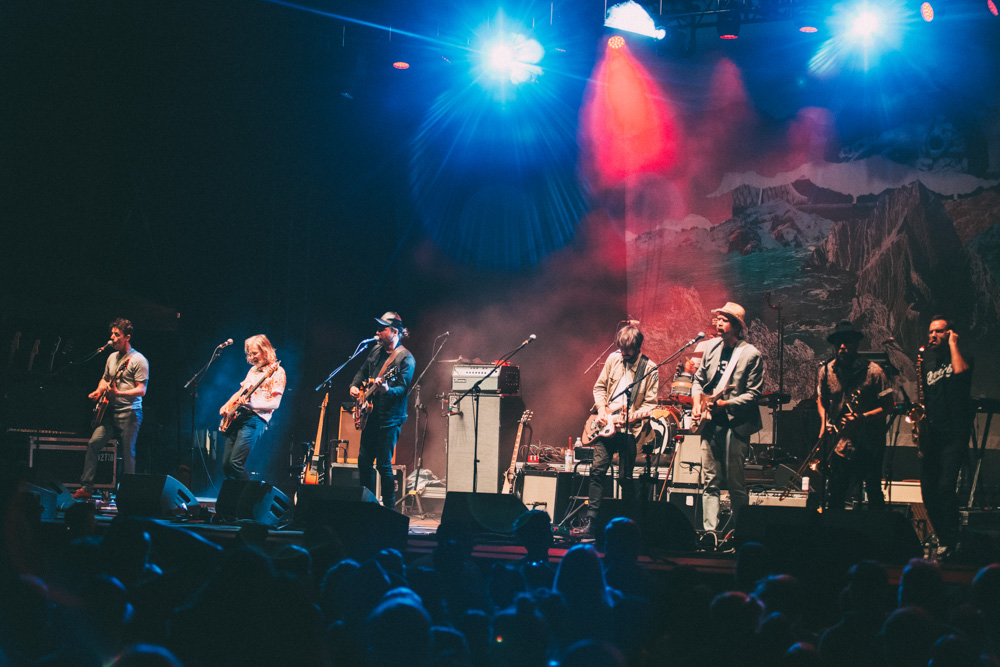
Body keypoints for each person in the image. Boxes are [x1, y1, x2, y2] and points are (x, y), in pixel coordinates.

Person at [573, 323, 659, 540]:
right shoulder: (613, 359)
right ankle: (591, 523)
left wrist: (630, 417)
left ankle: (626, 528)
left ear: (637, 347)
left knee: (626, 478)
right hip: (605, 426)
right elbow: (600, 387)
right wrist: (602, 410)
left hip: (629, 431)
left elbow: (650, 405)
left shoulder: (650, 368)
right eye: (620, 348)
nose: (623, 353)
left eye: (627, 350)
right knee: (597, 472)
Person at [692, 302, 763, 532]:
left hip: (736, 425)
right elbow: (698, 380)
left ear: (736, 325)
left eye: (724, 319)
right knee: (709, 481)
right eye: (718, 318)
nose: (718, 322)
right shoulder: (711, 347)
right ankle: (710, 533)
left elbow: (753, 394)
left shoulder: (751, 354)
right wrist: (696, 403)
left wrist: (727, 404)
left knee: (735, 484)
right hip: (711, 422)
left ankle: (740, 532)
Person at [816, 321, 890, 511]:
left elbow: (888, 406)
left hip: (869, 442)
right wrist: (824, 423)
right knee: (837, 491)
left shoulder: (875, 372)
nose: (842, 346)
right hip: (839, 443)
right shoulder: (825, 370)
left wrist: (862, 417)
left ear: (856, 344)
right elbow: (821, 400)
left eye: (847, 342)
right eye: (839, 342)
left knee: (873, 491)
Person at [74, 318, 149, 500]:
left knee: (127, 452)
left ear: (127, 337)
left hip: (130, 413)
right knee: (93, 443)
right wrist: (99, 390)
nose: (112, 338)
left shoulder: (138, 360)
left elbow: (142, 390)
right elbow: (105, 379)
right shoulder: (111, 358)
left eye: (117, 335)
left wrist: (119, 394)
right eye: (112, 334)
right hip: (110, 413)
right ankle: (86, 487)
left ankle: (128, 492)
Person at [919, 316, 973, 560]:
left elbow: (961, 375)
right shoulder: (929, 366)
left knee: (944, 488)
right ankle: (944, 539)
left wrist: (953, 344)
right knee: (928, 492)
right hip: (933, 437)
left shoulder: (961, 358)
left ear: (950, 333)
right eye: (930, 332)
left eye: (938, 332)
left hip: (954, 436)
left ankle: (954, 541)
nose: (932, 336)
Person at [350, 312, 415, 509]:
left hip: (390, 418)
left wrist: (387, 389)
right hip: (371, 416)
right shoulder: (375, 351)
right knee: (364, 462)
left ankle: (389, 509)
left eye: (382, 329)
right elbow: (362, 371)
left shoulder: (405, 358)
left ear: (395, 331)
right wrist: (354, 385)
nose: (377, 332)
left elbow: (403, 389)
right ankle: (368, 506)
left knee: (383, 465)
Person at [218, 335, 286, 480]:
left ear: (265, 350)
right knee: (226, 464)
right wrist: (227, 405)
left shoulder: (277, 372)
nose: (251, 357)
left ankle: (248, 500)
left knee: (236, 463)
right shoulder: (253, 371)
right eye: (249, 353)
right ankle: (233, 500)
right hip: (240, 415)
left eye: (254, 353)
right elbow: (240, 392)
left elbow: (275, 403)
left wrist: (252, 405)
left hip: (255, 419)